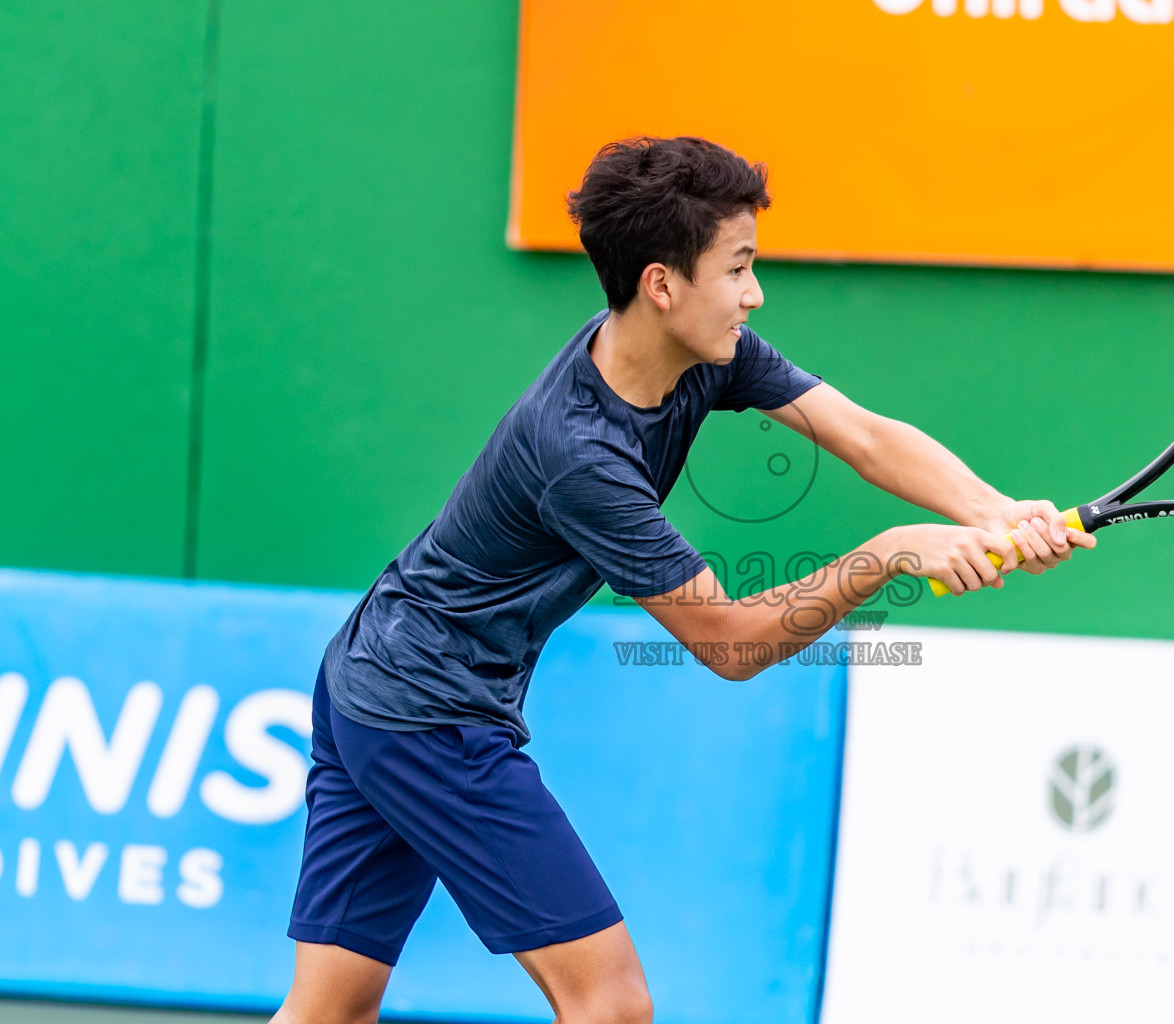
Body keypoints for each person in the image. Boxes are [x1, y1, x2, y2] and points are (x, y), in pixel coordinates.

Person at [271, 136, 1094, 1024]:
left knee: (330, 1013)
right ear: (662, 284)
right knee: (611, 1004)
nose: (754, 293)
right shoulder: (581, 456)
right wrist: (890, 553)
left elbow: (862, 434)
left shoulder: (700, 352)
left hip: (367, 675)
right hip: (427, 715)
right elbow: (730, 646)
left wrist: (993, 511)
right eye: (737, 268)